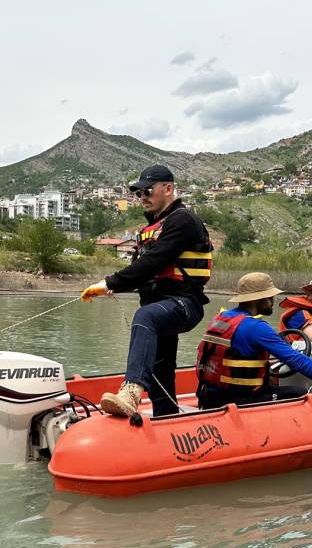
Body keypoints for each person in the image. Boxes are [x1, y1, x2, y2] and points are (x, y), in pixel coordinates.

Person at [80, 164, 213, 417]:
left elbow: (155, 261)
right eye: (139, 193)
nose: (142, 197)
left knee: (145, 317)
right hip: (160, 306)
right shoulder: (149, 230)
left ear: (168, 188)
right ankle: (167, 416)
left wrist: (110, 282)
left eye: (148, 191)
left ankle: (130, 392)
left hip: (185, 305)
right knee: (161, 367)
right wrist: (107, 288)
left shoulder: (183, 220)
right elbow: (139, 270)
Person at [196, 272, 312, 409]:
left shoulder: (221, 318)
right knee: (301, 393)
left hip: (208, 397)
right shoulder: (256, 328)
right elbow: (297, 360)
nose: (273, 301)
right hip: (239, 399)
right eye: (270, 297)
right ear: (260, 299)